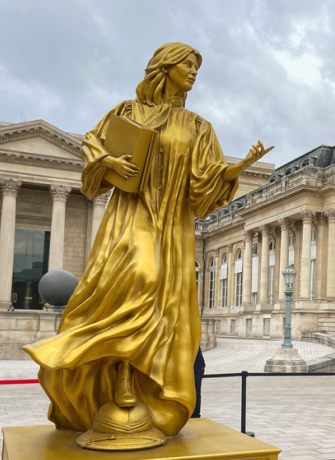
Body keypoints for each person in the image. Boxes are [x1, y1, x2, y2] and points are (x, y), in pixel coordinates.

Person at [24, 42, 272, 439]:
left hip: (174, 225)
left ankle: (132, 382)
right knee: (142, 277)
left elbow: (201, 190)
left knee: (165, 303)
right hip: (131, 216)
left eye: (197, 67)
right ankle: (111, 370)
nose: (193, 72)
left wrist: (236, 169)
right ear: (164, 67)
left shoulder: (198, 126)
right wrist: (108, 162)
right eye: (187, 64)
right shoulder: (126, 112)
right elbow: (93, 148)